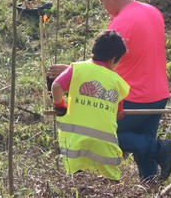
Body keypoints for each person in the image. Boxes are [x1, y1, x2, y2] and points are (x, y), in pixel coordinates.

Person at [49, 0, 171, 183]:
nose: (104, 7)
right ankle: (150, 185)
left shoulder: (122, 23)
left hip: (134, 95)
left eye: (102, 2)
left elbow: (103, 60)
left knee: (104, 137)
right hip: (158, 93)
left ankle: (160, 148)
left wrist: (74, 71)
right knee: (142, 143)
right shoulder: (152, 11)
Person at [51, 30, 131, 181]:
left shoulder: (77, 69)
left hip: (75, 141)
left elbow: (56, 86)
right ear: (114, 59)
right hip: (104, 144)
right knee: (111, 179)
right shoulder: (118, 82)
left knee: (76, 179)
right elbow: (119, 114)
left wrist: (60, 105)